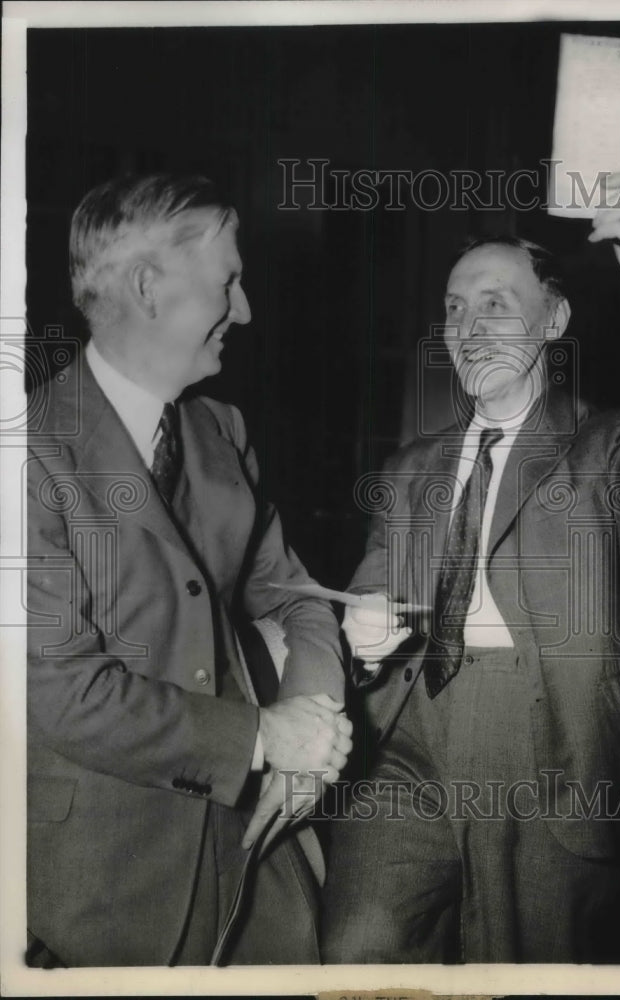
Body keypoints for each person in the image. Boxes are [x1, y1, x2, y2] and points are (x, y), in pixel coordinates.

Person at [321, 172, 620, 963]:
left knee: (516, 967)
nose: (468, 328)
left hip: (551, 746)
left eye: (495, 304)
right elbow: (372, 582)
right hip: (412, 736)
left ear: (555, 319)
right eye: (452, 307)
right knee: (355, 948)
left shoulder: (602, 446)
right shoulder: (410, 468)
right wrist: (362, 624)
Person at [26, 173, 352, 967]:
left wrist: (314, 720)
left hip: (253, 844)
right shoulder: (29, 451)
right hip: (103, 876)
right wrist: (265, 738)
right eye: (229, 283)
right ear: (147, 289)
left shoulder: (220, 428)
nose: (244, 310)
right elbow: (62, 692)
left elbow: (298, 592)